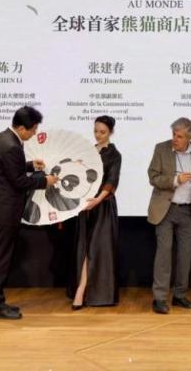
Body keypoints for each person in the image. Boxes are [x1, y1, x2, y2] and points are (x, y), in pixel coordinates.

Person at [0, 106, 58, 320]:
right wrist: (45, 181)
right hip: (4, 211)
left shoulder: (3, 138)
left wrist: (30, 165)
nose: (34, 134)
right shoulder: (11, 146)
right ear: (22, 128)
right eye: (33, 130)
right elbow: (18, 182)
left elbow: (10, 169)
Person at [148, 117, 191, 314]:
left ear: (189, 137)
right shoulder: (161, 149)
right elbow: (153, 177)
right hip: (165, 210)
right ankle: (159, 298)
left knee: (185, 256)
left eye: (180, 136)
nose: (175, 139)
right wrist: (175, 180)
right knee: (163, 254)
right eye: (174, 134)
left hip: (189, 212)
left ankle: (180, 295)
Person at [68, 116, 122, 309]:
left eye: (102, 132)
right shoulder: (88, 152)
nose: (98, 135)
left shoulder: (115, 154)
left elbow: (111, 181)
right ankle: (81, 289)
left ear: (111, 132)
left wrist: (98, 200)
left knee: (97, 249)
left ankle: (82, 290)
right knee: (84, 248)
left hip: (103, 206)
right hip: (85, 206)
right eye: (96, 131)